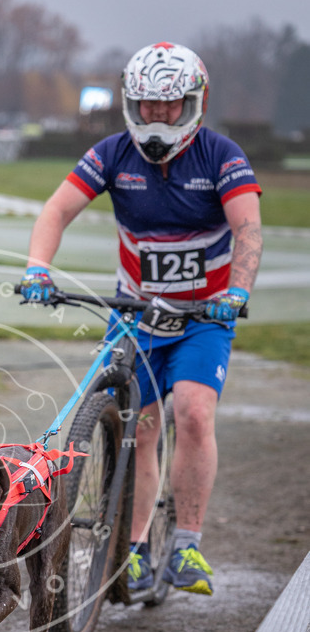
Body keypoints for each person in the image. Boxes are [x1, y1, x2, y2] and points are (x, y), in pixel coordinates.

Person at [20, 42, 263, 596]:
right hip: (135, 314)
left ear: (194, 104)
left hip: (204, 314)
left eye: (169, 105)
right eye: (147, 105)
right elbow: (56, 210)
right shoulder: (111, 153)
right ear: (132, 104)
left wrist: (236, 291)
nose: (156, 116)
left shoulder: (222, 156)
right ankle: (131, 553)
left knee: (194, 413)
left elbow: (247, 229)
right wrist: (37, 268)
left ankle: (187, 545)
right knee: (141, 427)